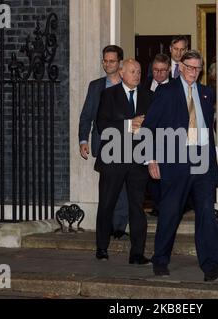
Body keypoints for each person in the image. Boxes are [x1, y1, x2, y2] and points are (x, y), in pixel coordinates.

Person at [142, 51, 218, 282]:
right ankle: (160, 260)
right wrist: (151, 159)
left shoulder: (207, 93)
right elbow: (149, 127)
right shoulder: (166, 92)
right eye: (189, 67)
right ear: (180, 67)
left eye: (198, 68)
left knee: (207, 214)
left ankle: (211, 267)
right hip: (175, 160)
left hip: (202, 162)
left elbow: (208, 129)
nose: (193, 72)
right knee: (170, 212)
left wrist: (212, 159)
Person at [94, 59, 153, 265]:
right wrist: (129, 125)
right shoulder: (109, 95)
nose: (137, 74)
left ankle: (137, 253)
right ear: (121, 73)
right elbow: (102, 125)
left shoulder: (149, 95)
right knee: (107, 203)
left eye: (139, 71)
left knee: (137, 207)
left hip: (137, 161)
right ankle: (101, 247)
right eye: (132, 71)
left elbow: (155, 126)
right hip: (113, 159)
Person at [78, 45, 129, 240]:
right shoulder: (96, 86)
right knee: (107, 187)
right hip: (103, 143)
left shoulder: (128, 85)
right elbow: (86, 115)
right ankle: (106, 226)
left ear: (120, 63)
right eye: (105, 61)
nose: (108, 64)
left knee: (123, 187)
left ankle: (120, 226)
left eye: (112, 61)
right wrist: (83, 140)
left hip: (125, 144)